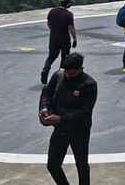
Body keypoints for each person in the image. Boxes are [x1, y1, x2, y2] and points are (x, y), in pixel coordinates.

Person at [39, 53, 98, 185]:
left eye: (72, 74)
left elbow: (85, 112)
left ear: (80, 69)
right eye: (66, 72)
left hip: (79, 130)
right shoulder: (59, 76)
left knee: (82, 165)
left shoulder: (89, 84)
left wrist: (61, 119)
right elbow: (47, 93)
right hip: (60, 130)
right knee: (52, 165)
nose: (68, 76)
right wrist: (45, 108)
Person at [41, 0, 77, 84]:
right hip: (64, 38)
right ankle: (60, 77)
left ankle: (46, 69)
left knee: (51, 56)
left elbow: (49, 23)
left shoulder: (52, 11)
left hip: (53, 37)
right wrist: (75, 39)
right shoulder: (69, 14)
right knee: (64, 58)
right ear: (68, 5)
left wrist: (53, 30)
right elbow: (71, 28)